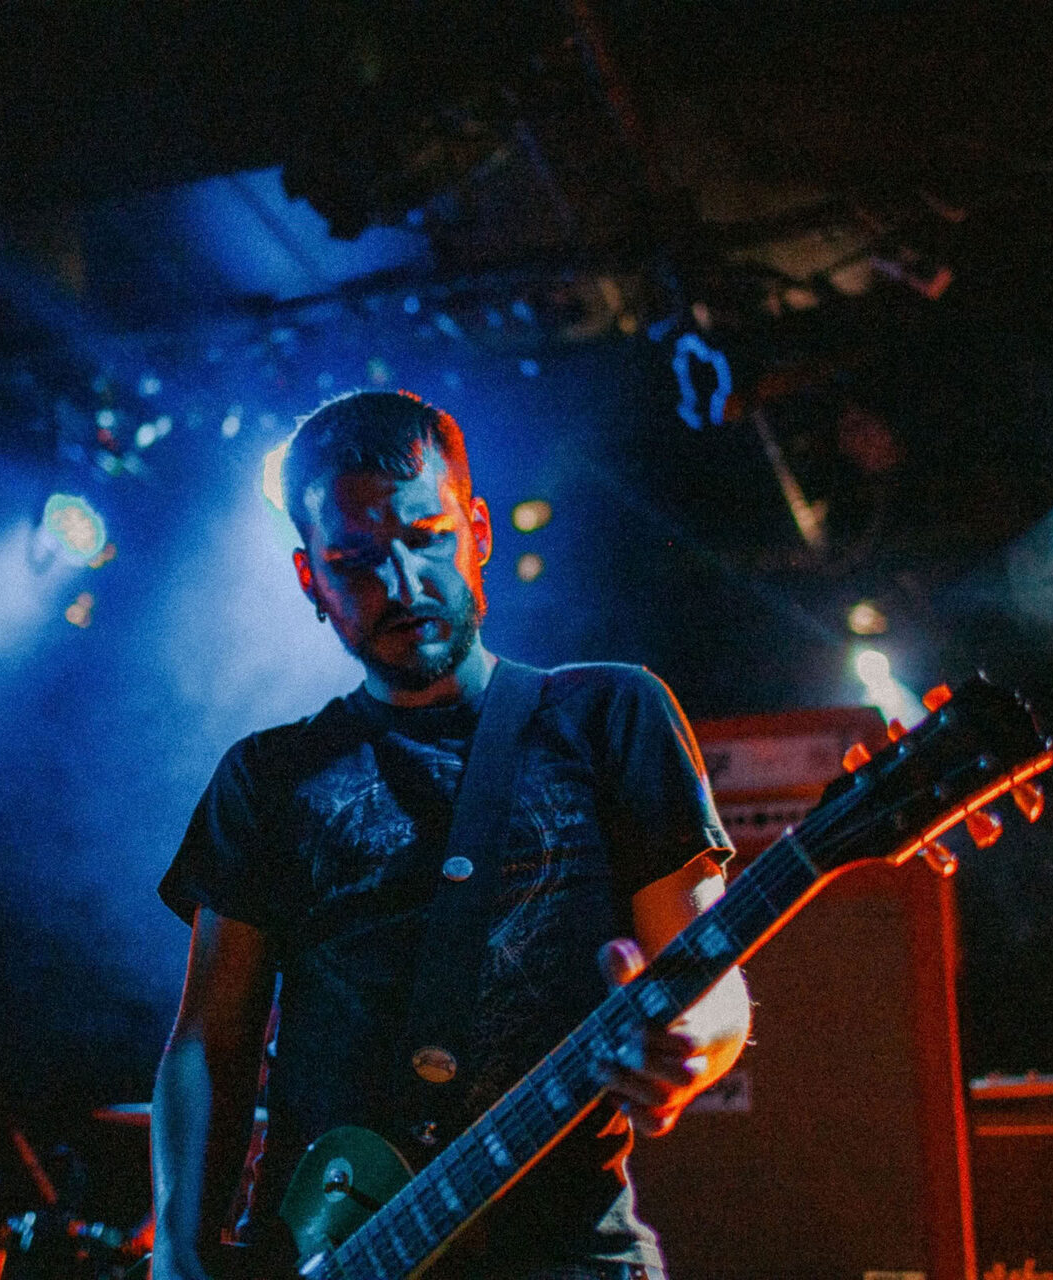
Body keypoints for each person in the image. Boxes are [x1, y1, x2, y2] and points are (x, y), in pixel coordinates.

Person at [152, 390, 751, 1280]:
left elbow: (713, 988)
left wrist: (686, 1047)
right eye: (355, 563)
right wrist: (181, 1251)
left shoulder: (610, 715)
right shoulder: (266, 776)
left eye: (426, 536)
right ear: (309, 578)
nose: (399, 586)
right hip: (328, 1251)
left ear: (478, 531)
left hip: (562, 1254)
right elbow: (212, 1040)